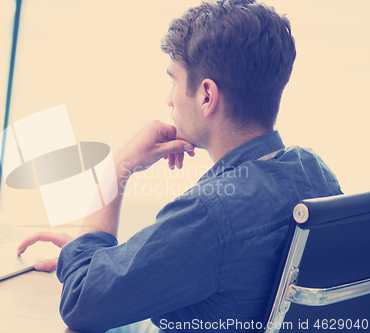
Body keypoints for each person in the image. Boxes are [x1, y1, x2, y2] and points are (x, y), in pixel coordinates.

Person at [17, 0, 342, 332]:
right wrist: (103, 262)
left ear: (206, 96)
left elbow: (81, 303)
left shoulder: (210, 213)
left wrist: (117, 168)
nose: (169, 99)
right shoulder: (315, 171)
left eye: (174, 80)